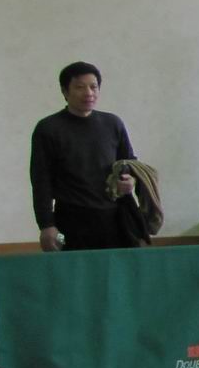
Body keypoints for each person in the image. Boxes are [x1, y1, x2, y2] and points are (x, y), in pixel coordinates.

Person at [30, 61, 137, 251]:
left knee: (117, 267)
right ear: (65, 91)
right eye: (79, 87)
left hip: (114, 217)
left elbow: (130, 163)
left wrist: (131, 181)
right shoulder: (48, 128)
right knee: (71, 268)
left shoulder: (113, 123)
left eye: (93, 87)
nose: (88, 93)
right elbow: (41, 181)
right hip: (70, 219)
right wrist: (46, 225)